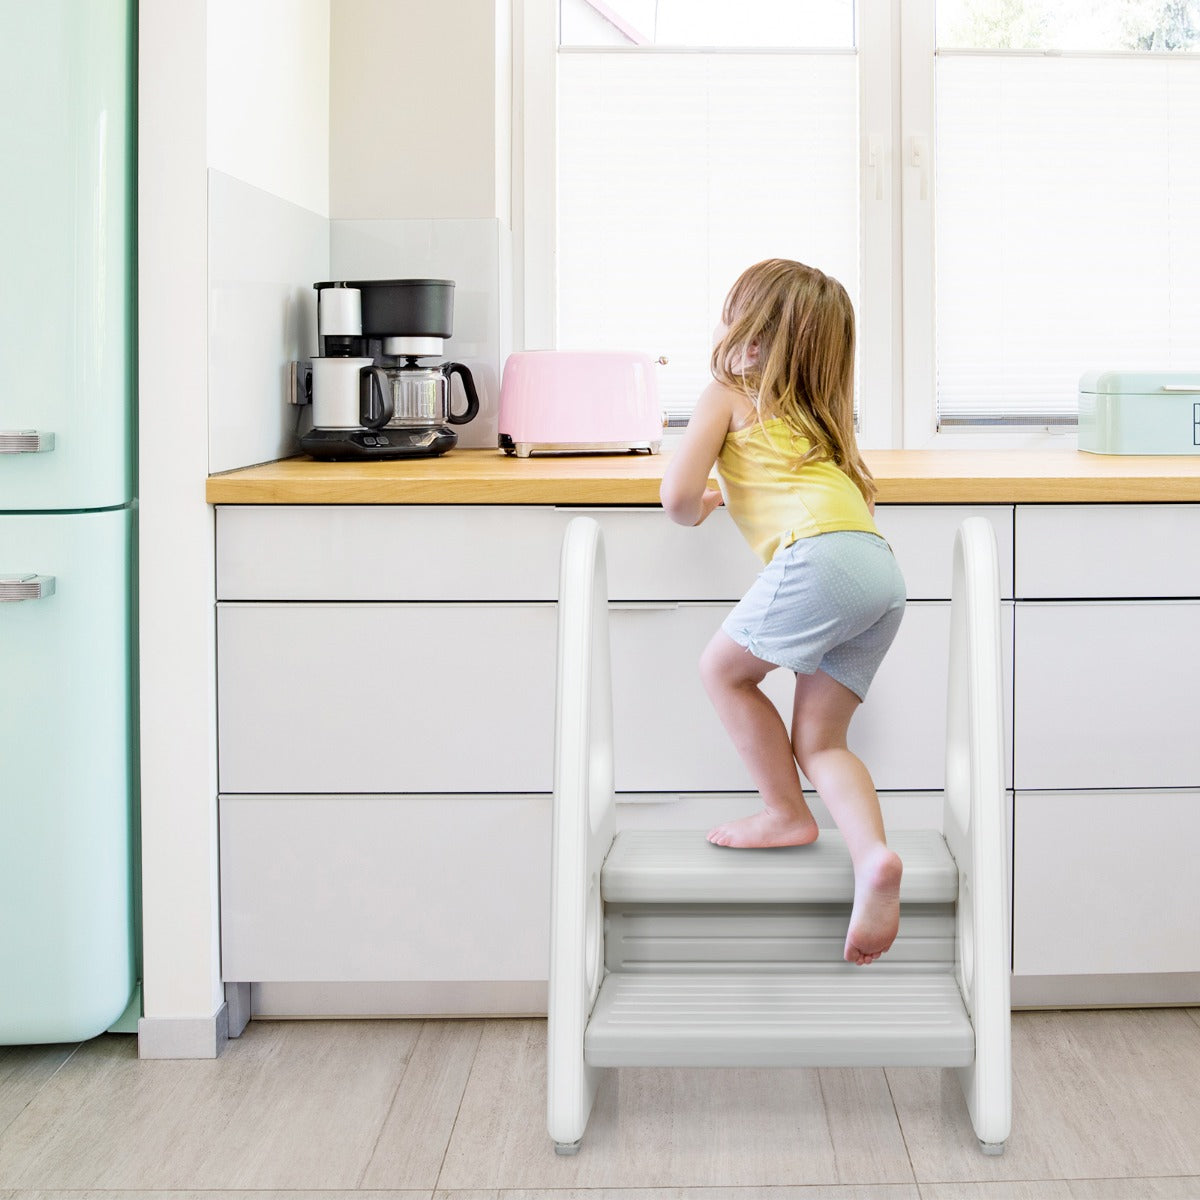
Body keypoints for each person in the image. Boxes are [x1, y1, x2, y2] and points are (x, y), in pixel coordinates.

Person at [659, 258, 907, 966]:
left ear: (754, 336)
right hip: (878, 571)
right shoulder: (822, 421)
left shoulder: (727, 392)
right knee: (824, 741)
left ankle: (785, 812)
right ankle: (873, 859)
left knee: (723, 672)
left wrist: (704, 504)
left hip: (820, 559)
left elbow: (676, 499)